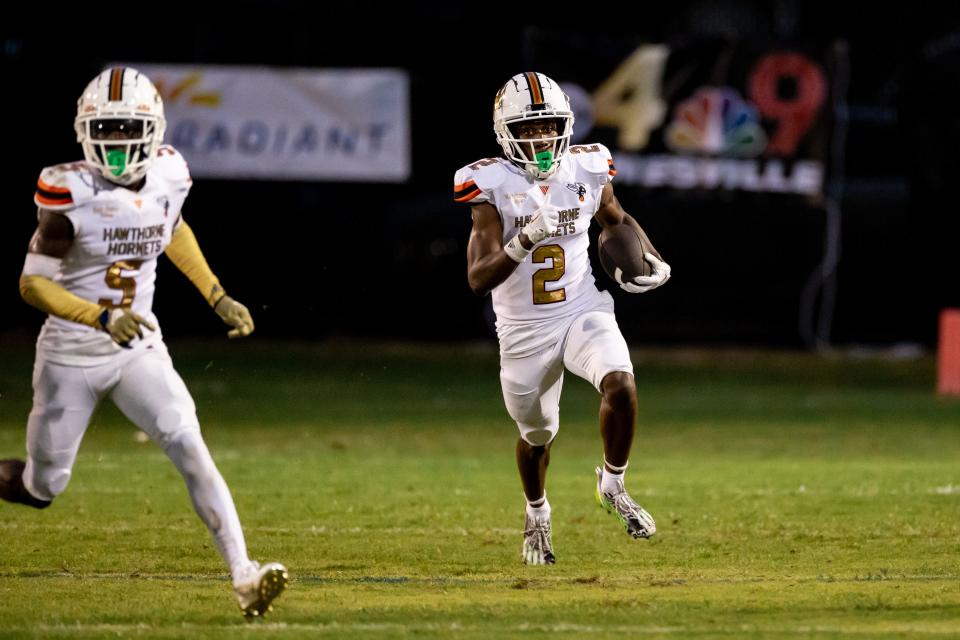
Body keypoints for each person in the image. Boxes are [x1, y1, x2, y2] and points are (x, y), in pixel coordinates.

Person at [0, 67, 287, 617]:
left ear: (152, 129)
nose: (113, 143)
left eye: (125, 128)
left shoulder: (169, 174)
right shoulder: (68, 189)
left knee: (188, 441)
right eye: (103, 129)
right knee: (42, 487)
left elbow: (171, 227)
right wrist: (100, 316)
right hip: (69, 354)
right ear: (84, 130)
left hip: (137, 350)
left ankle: (245, 575)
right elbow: (31, 284)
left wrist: (216, 293)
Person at [456, 72, 671, 564]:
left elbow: (616, 220)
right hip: (522, 331)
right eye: (529, 129)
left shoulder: (587, 167)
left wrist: (654, 257)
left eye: (549, 126)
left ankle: (613, 484)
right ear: (506, 133)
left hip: (581, 308)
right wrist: (526, 237)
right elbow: (477, 278)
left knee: (621, 382)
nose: (541, 138)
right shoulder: (490, 184)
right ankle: (537, 512)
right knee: (537, 437)